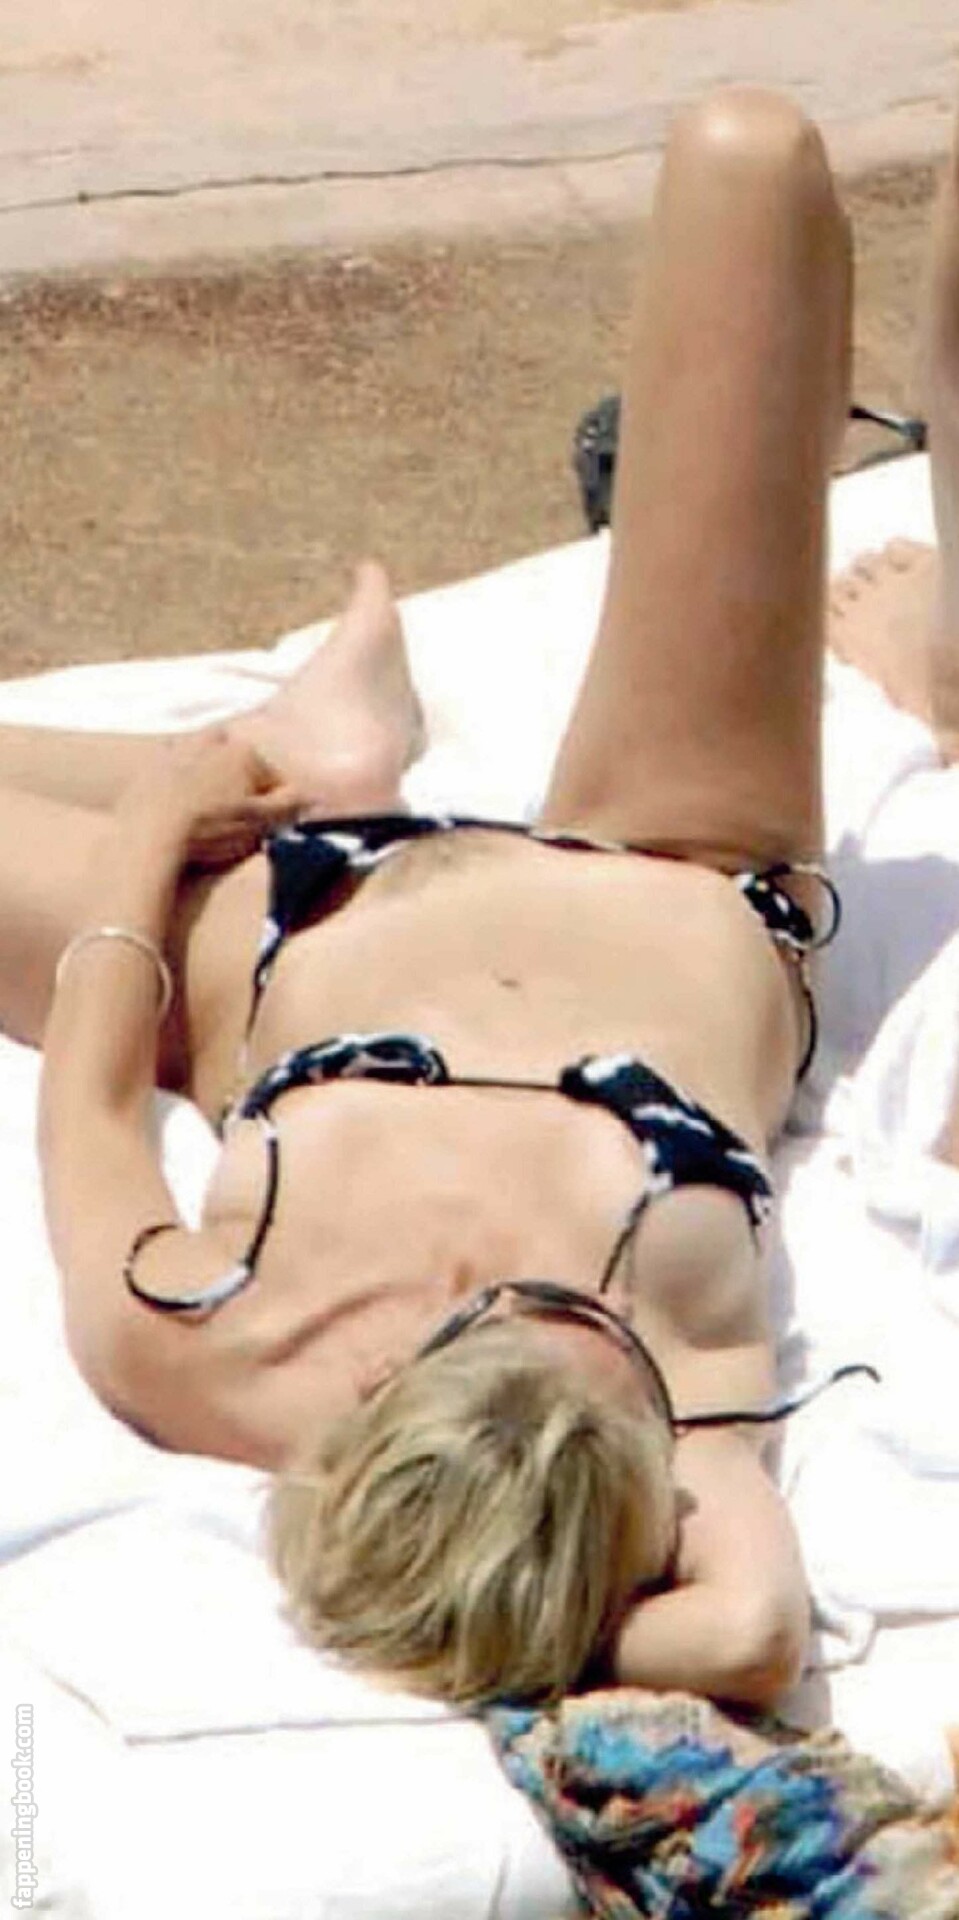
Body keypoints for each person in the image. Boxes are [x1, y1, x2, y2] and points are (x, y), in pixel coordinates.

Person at [2, 85, 950, 1717]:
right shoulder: (687, 1425)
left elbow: (90, 1089)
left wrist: (166, 818)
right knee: (746, 157)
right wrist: (532, 1631)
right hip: (676, 845)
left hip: (275, 935)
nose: (536, 1301)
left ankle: (310, 760)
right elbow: (748, 1634)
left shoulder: (204, 1345)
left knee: (744, 151)